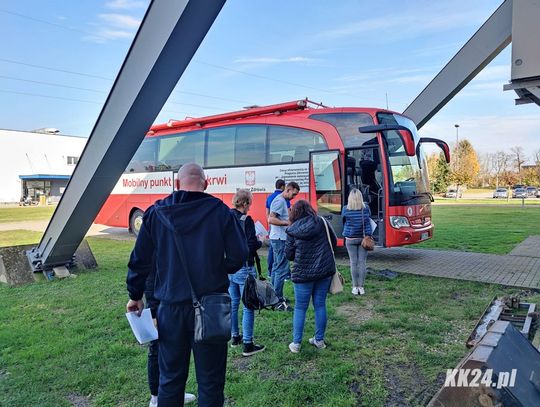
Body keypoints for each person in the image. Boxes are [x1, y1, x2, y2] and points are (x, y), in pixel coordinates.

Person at [126, 163, 248, 407]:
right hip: (210, 308)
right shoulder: (220, 212)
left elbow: (140, 260)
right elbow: (239, 254)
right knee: (211, 382)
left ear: (177, 183)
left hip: (169, 309)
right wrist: (214, 270)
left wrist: (135, 294)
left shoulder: (155, 213)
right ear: (206, 183)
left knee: (170, 380)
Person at [285, 200, 336, 353]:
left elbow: (289, 254)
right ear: (310, 210)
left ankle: (296, 344)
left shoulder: (292, 230)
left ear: (294, 213)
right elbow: (332, 241)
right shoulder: (322, 222)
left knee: (300, 308)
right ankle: (319, 340)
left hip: (302, 274)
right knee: (320, 305)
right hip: (323, 271)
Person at [145, 269, 196, 406]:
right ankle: (155, 397)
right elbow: (150, 276)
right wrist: (152, 311)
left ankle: (176, 392)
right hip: (162, 304)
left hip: (175, 301)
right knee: (156, 349)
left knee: (176, 357)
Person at [229, 189, 265, 356]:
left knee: (234, 302)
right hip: (244, 267)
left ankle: (235, 336)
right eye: (249, 202)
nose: (250, 206)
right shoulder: (247, 221)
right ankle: (248, 344)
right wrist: (260, 241)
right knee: (248, 305)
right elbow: (250, 245)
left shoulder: (226, 217)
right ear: (244, 203)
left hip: (228, 267)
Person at [268, 181, 300, 310]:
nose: (294, 197)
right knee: (281, 269)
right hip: (280, 239)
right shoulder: (279, 201)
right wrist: (287, 223)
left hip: (278, 238)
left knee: (277, 268)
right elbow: (270, 219)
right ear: (288, 189)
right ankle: (278, 301)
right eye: (294, 194)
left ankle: (273, 297)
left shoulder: (281, 201)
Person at [342, 188, 372, 296]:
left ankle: (355, 287)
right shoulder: (366, 208)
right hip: (363, 239)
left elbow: (343, 222)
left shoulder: (345, 209)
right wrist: (368, 235)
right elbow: (368, 223)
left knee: (353, 263)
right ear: (360, 197)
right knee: (362, 263)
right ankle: (361, 287)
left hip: (350, 239)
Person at [265, 179, 288, 276]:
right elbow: (288, 213)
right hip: (280, 231)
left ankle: (270, 272)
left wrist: (270, 224)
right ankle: (285, 275)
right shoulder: (282, 199)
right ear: (283, 187)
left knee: (273, 251)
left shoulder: (269, 197)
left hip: (273, 227)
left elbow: (267, 213)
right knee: (280, 260)